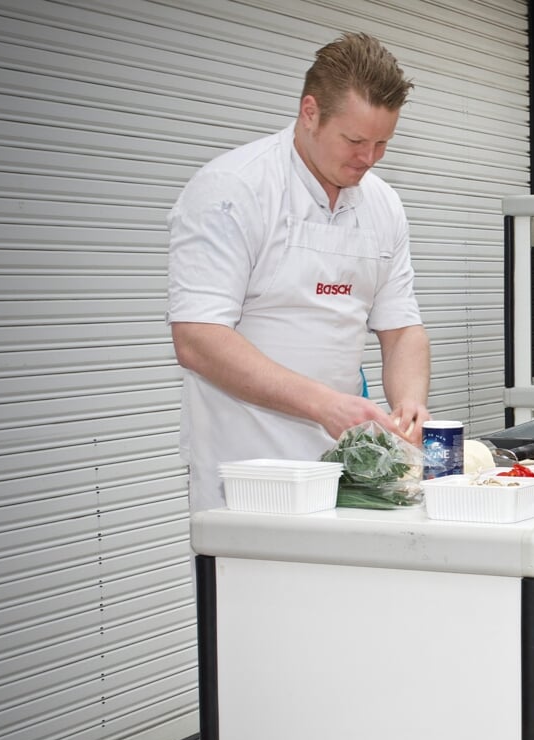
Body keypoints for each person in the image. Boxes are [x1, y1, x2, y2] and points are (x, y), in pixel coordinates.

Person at [167, 33, 431, 511]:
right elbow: (197, 337)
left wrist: (410, 401)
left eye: (381, 143)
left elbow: (402, 330)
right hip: (245, 471)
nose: (367, 159)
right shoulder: (233, 190)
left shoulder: (383, 205)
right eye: (353, 140)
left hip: (348, 469)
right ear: (310, 112)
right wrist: (323, 403)